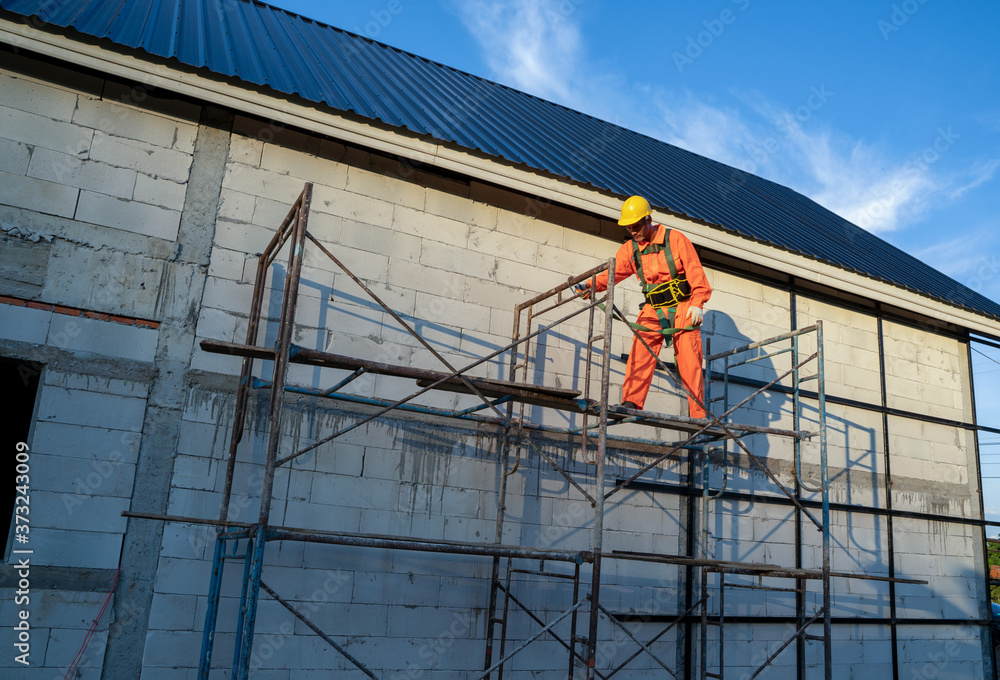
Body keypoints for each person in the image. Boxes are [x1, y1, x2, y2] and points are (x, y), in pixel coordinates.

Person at [577, 196, 712, 418]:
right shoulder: (631, 249)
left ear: (648, 219)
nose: (634, 231)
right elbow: (611, 274)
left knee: (690, 362)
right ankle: (631, 402)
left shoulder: (675, 240)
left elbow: (696, 273)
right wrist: (589, 286)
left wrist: (698, 304)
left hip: (683, 307)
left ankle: (697, 414)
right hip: (653, 309)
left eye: (637, 226)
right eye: (629, 228)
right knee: (639, 353)